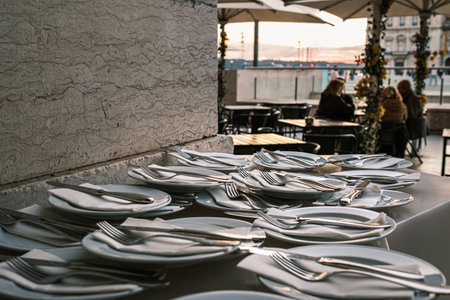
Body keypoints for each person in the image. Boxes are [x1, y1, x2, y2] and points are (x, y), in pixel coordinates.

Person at [379, 86, 409, 158]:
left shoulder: (382, 106)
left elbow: (379, 118)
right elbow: (405, 118)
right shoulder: (402, 105)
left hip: (385, 134)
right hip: (401, 134)